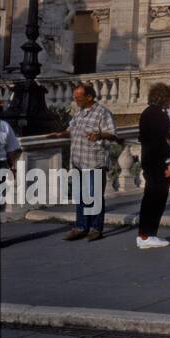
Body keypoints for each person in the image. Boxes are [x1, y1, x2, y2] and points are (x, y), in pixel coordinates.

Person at [62, 83, 117, 242]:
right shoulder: (78, 114)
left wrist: (99, 136)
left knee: (95, 196)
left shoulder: (103, 113)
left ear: (89, 97)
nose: (76, 100)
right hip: (79, 162)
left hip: (95, 162)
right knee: (80, 196)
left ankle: (95, 228)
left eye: (79, 98)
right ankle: (81, 226)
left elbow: (112, 134)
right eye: (75, 97)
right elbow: (70, 130)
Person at [137, 82, 170, 249]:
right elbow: (160, 141)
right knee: (157, 198)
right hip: (158, 161)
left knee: (149, 197)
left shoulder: (146, 112)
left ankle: (144, 234)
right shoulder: (160, 115)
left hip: (148, 159)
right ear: (164, 98)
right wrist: (169, 161)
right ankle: (149, 234)